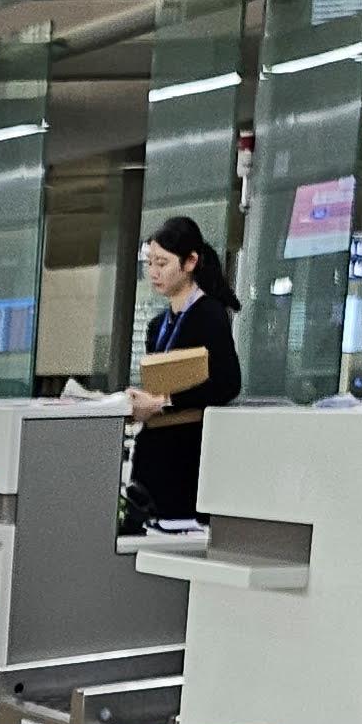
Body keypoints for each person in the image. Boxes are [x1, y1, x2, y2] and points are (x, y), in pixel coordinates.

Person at [126, 217, 242, 524]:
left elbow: (226, 384)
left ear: (190, 262)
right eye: (150, 263)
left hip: (187, 455)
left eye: (162, 263)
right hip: (153, 456)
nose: (154, 272)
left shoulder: (209, 315)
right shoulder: (156, 326)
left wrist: (163, 402)